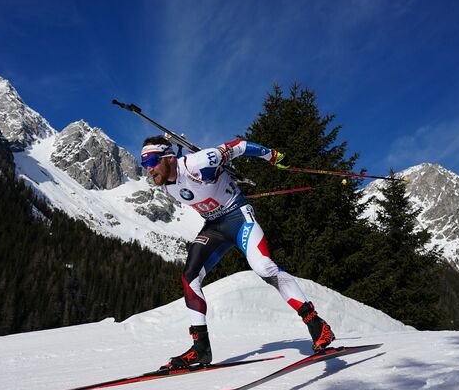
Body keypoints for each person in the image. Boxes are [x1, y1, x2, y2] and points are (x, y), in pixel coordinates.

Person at [140, 136, 335, 369]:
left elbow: (239, 146)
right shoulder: (166, 186)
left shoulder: (198, 163)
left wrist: (271, 155)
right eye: (144, 163)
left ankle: (317, 325)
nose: (148, 168)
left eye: (151, 160)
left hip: (239, 218)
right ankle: (200, 349)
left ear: (168, 157)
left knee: (264, 267)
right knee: (190, 277)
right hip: (214, 228)